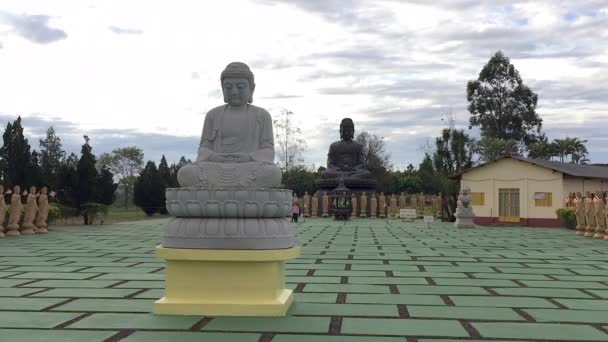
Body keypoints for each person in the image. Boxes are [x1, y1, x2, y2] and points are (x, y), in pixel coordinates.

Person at [177, 62, 281, 188]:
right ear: (222, 89)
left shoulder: (262, 115)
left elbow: (268, 151)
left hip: (247, 167)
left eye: (240, 87)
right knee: (185, 173)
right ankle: (240, 191)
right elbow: (204, 149)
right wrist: (214, 156)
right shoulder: (213, 115)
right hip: (216, 166)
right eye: (228, 87)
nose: (234, 92)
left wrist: (248, 157)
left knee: (273, 173)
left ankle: (215, 191)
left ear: (251, 89)